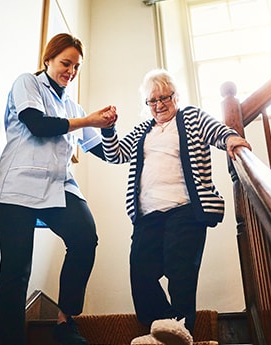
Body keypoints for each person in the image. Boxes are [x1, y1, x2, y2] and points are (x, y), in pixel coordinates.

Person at [100, 69, 252, 345]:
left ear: (175, 96)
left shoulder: (191, 116)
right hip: (148, 215)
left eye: (164, 98)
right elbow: (115, 155)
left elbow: (215, 129)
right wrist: (108, 129)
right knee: (140, 271)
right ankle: (162, 330)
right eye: (152, 100)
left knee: (179, 268)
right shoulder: (143, 130)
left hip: (185, 210)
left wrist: (231, 139)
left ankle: (180, 327)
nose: (158, 105)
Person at [0, 33, 117, 345]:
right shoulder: (28, 83)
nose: (71, 71)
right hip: (18, 187)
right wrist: (87, 120)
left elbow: (104, 151)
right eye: (65, 63)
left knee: (85, 238)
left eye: (76, 66)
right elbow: (37, 124)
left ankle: (65, 321)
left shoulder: (72, 104)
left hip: (59, 187)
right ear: (48, 59)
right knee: (16, 272)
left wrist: (109, 126)